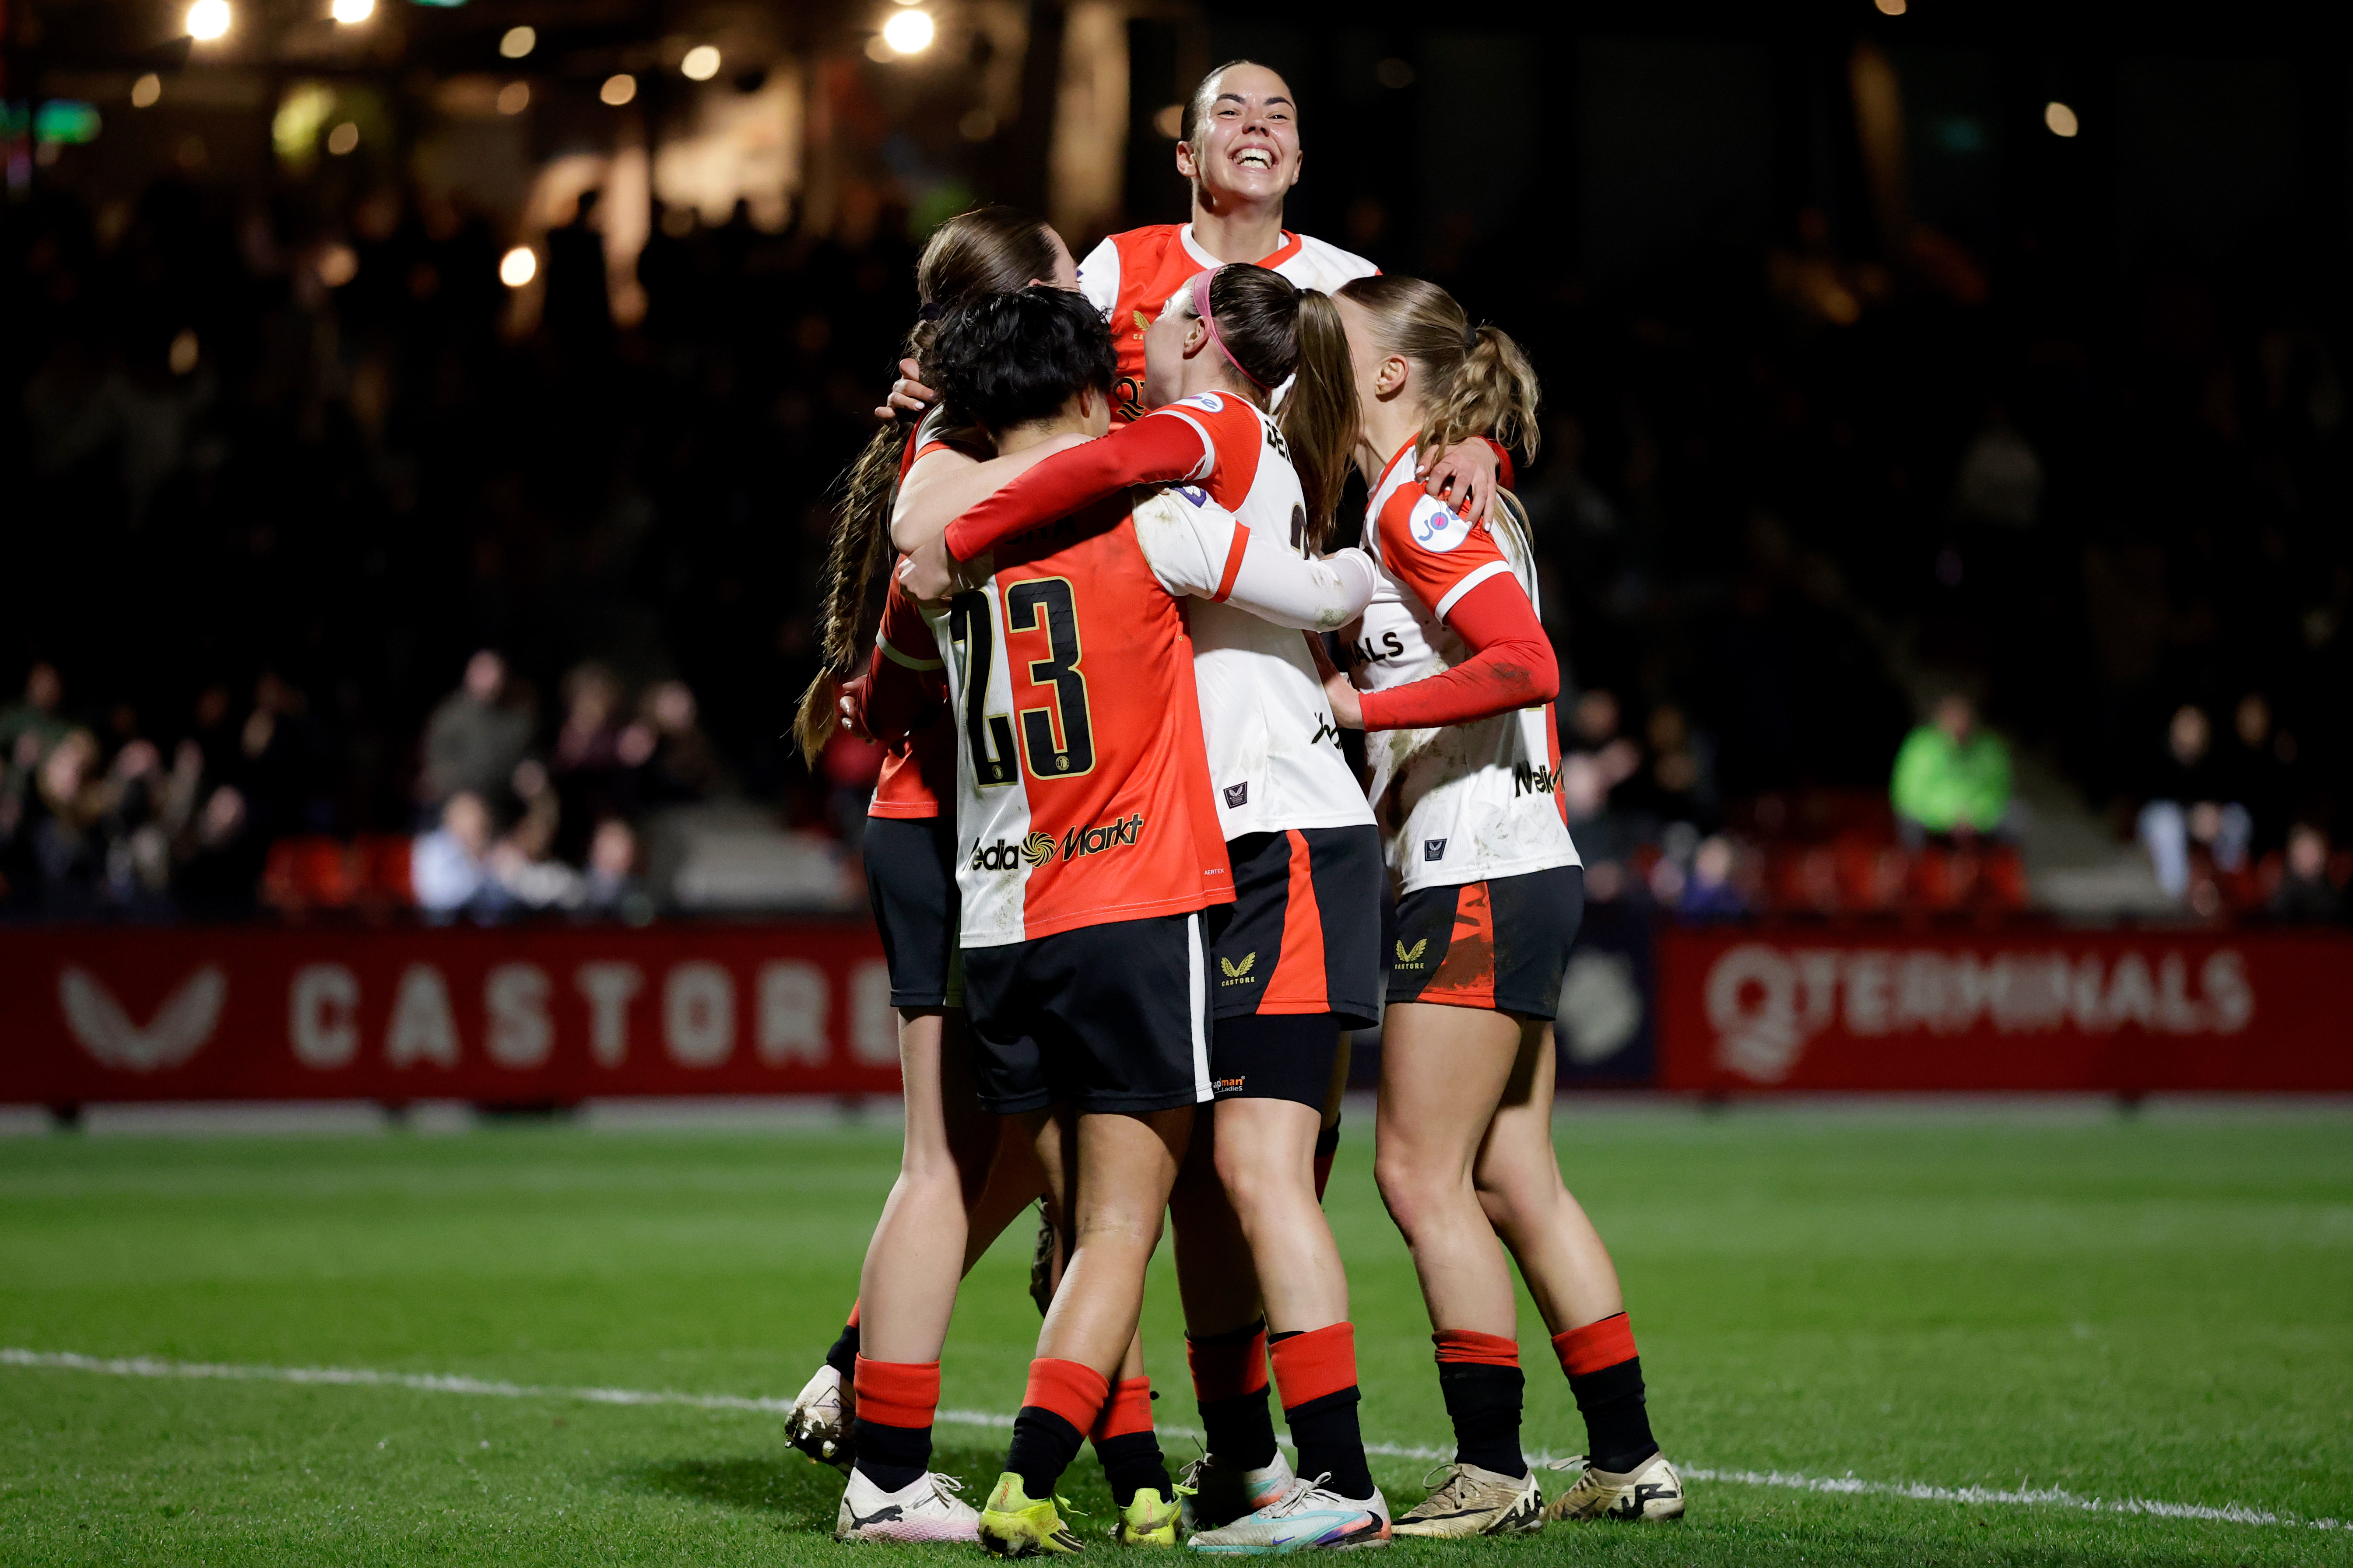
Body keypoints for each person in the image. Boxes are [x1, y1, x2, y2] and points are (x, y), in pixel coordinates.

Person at [872, 287, 1376, 1557]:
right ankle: (1031, 1479)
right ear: (1103, 393)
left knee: (1069, 1216)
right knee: (1119, 1226)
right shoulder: (1151, 522)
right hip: (1130, 905)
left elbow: (890, 684)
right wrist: (1370, 557)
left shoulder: (951, 548)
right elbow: (1324, 597)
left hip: (999, 922)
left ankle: (1141, 1477)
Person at [1321, 273, 1682, 1533]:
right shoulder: (1452, 483)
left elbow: (1525, 662)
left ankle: (1492, 1466)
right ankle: (1630, 1456)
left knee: (1420, 1172)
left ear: (1381, 373)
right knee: (1516, 1172)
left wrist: (1358, 710)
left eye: (1338, 334)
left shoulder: (1418, 502)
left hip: (1477, 866)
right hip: (1522, 856)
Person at [784, 206, 1102, 1546]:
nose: (1095, 303)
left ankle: (864, 1395)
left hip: (972, 823)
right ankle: (884, 1456)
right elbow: (907, 645)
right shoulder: (958, 455)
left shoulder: (962, 435)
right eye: (1069, 284)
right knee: (962, 1156)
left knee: (1007, 1151)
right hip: (955, 823)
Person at [880, 60, 1506, 522]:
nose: (1257, 124)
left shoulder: (1350, 283)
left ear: (1297, 163)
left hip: (1286, 567)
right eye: (1230, 111)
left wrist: (1479, 449)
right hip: (1127, 549)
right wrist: (943, 393)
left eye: (1278, 115)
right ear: (1186, 157)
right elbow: (1018, 386)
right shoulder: (1115, 266)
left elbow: (1435, 408)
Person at [1890, 691, 2013, 845]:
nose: (1959, 727)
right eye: (1953, 719)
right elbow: (1909, 795)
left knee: (2016, 818)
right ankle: (1916, 867)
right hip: (1932, 820)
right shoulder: (1920, 747)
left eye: (1964, 720)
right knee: (1909, 822)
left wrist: (1975, 817)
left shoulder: (1991, 749)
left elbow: (1999, 792)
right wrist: (1950, 819)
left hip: (1977, 822)